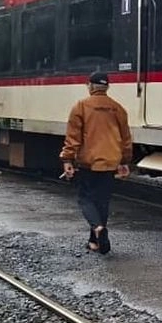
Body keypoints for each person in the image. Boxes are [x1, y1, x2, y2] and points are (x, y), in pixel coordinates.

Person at [60, 71, 133, 254]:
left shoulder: (81, 107)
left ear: (90, 86)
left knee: (86, 199)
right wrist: (124, 161)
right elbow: (126, 139)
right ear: (107, 87)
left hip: (89, 162)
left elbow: (73, 138)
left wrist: (67, 159)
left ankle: (98, 229)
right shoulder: (118, 108)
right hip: (110, 162)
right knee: (102, 201)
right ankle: (95, 241)